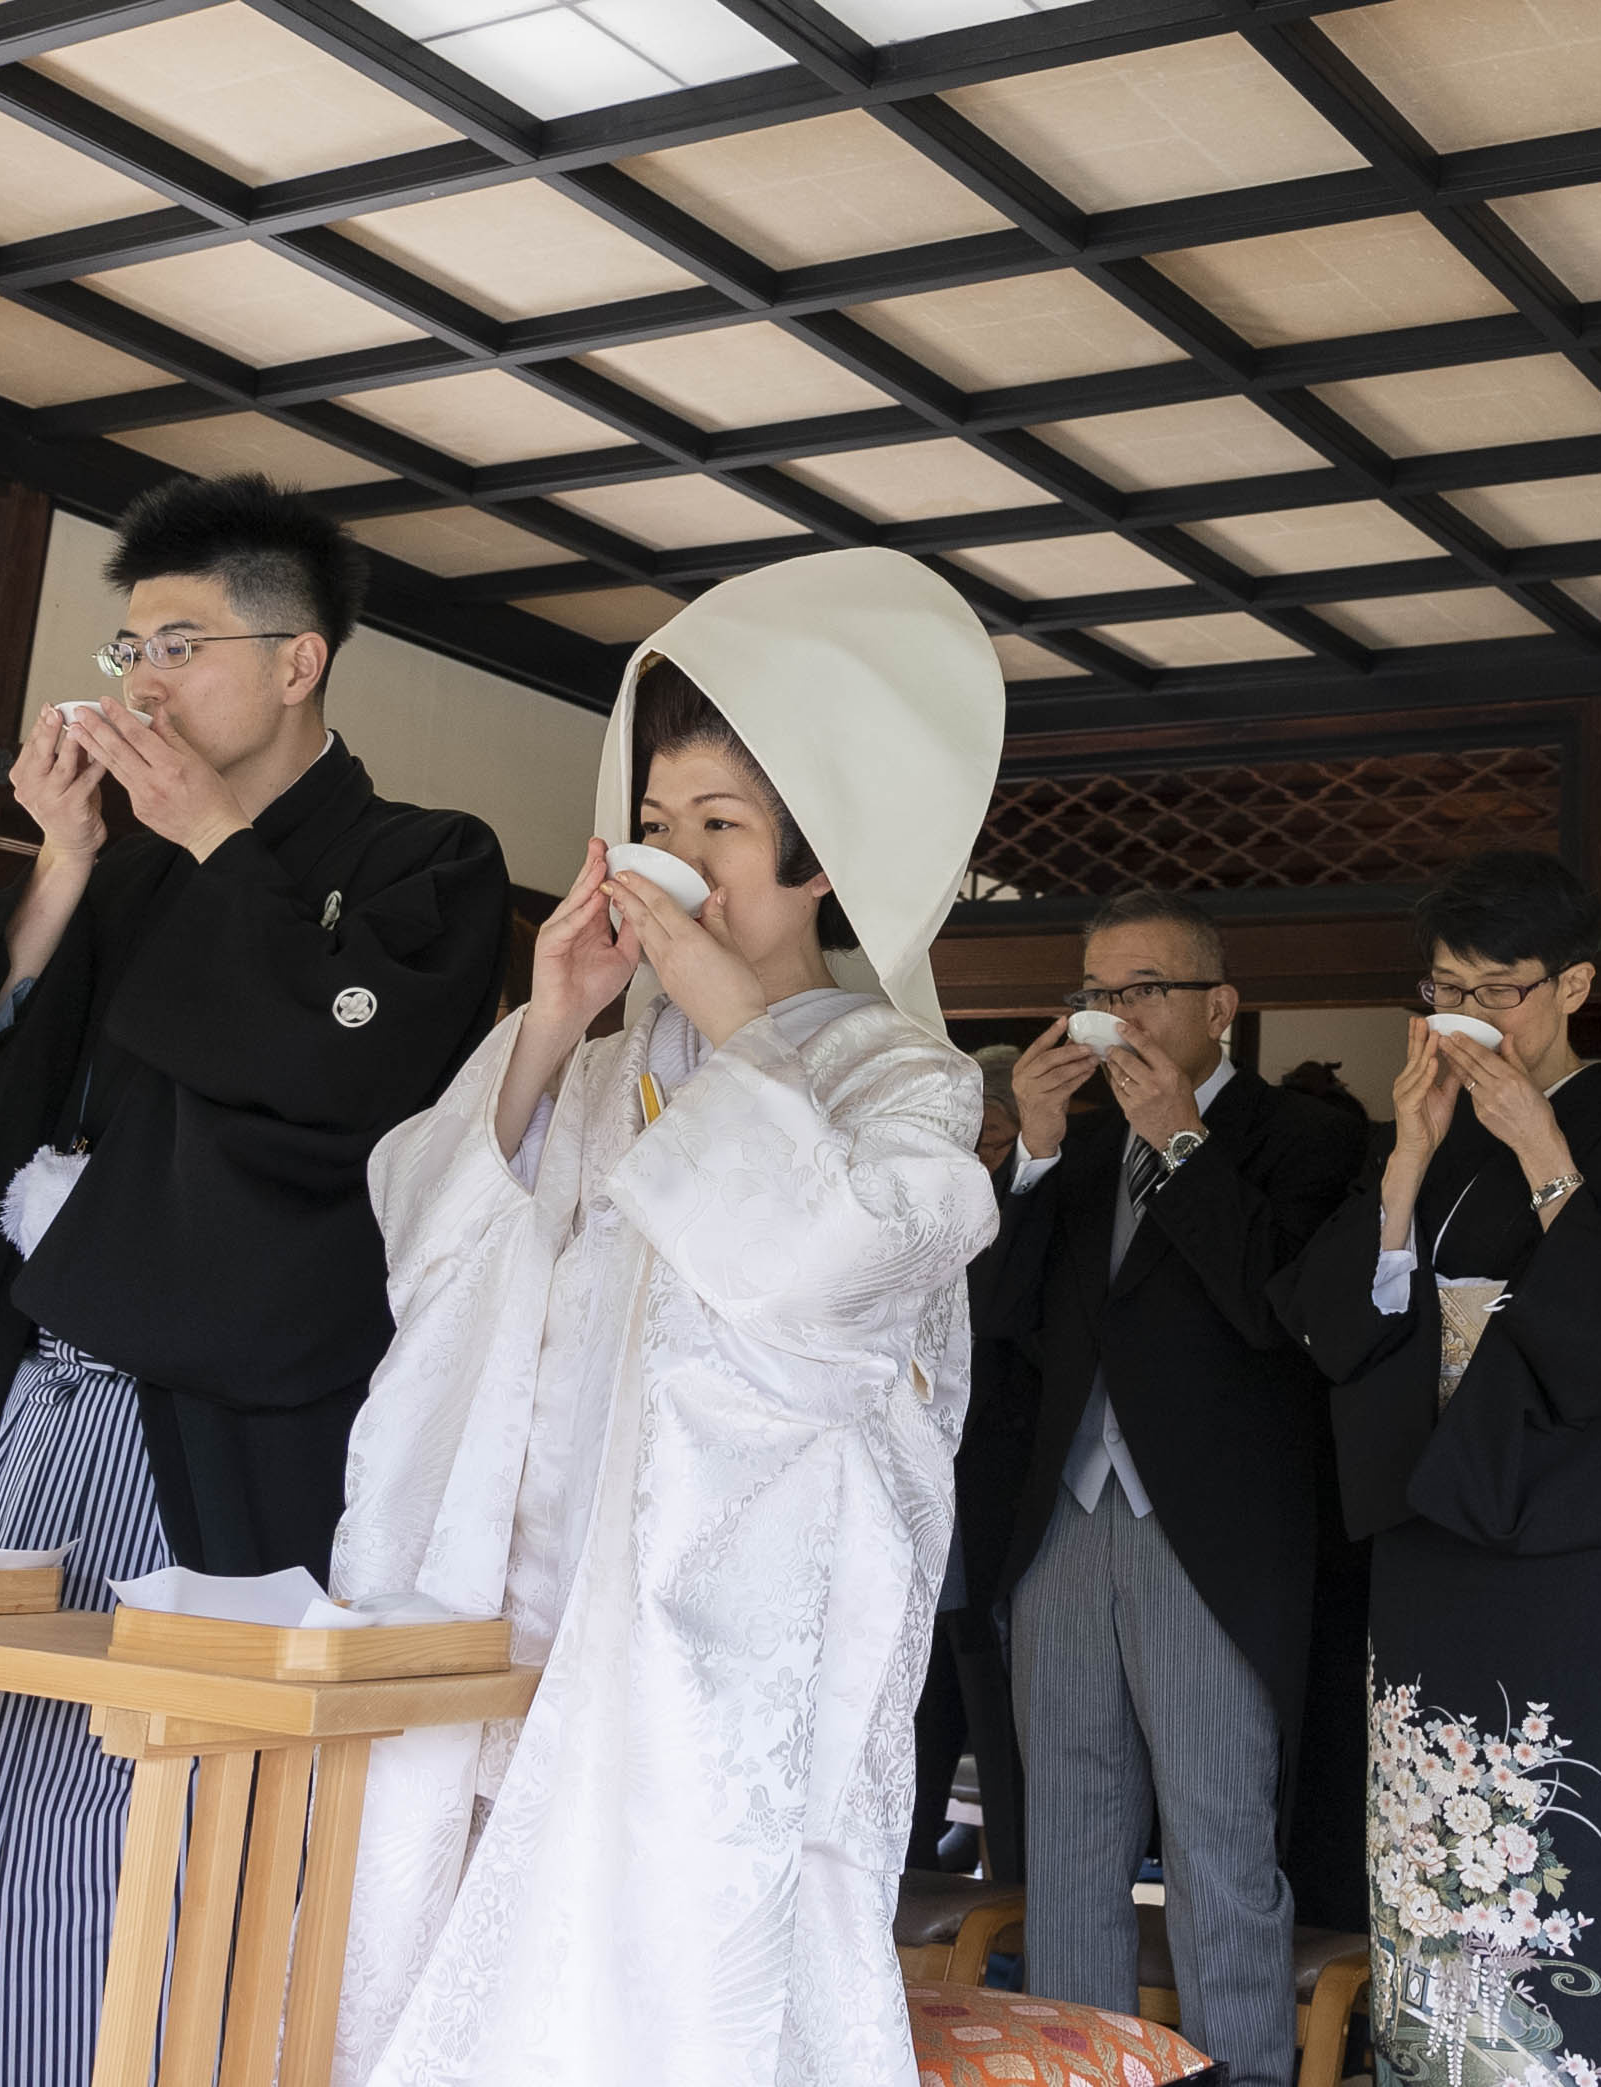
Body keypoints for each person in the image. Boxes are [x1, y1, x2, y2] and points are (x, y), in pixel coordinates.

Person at [327, 549, 1004, 2086]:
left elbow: (838, 1286)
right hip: (519, 1579)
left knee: (670, 1975)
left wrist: (733, 1025)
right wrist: (557, 1007)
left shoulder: (896, 1074)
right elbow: (430, 1245)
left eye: (720, 828)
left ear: (817, 862)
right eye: (653, 824)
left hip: (708, 1626)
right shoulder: (576, 1052)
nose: (675, 856)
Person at [0, 472, 509, 2087]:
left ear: (297, 660)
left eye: (181, 640)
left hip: (225, 1406)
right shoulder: (127, 858)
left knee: (166, 1799)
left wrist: (221, 849)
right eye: (127, 641)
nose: (139, 677)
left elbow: (349, 1094)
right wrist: (67, 857)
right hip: (41, 1384)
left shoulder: (420, 859)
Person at [1286, 852, 1601, 2087]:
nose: (1469, 1018)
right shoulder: (1418, 1124)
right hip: (1432, 1543)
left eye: (1502, 989)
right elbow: (1339, 1332)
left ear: (1574, 982)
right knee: (1428, 1867)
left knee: (1570, 1856)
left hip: (1579, 1561)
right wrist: (1410, 1159)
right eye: (1442, 987)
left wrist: (1543, 1153)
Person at [986, 889, 1366, 2087]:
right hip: (1065, 1518)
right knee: (1071, 1837)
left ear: (1220, 1004)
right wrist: (1034, 1153)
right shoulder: (1082, 1145)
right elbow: (1006, 1324)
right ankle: (1080, 2069)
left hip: (1207, 1530)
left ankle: (1243, 2070)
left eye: (1141, 988)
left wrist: (1186, 1140)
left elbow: (1278, 1309)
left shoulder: (1301, 1137)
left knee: (1220, 1841)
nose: (1114, 1014)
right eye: (1096, 992)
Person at [911, 1045, 1036, 1881]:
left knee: (1001, 1719)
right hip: (919, 1501)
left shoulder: (1026, 1214)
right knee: (915, 1714)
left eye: (990, 1142)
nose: (974, 1161)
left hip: (997, 1503)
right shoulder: (919, 1199)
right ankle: (906, 1877)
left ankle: (1012, 1900)